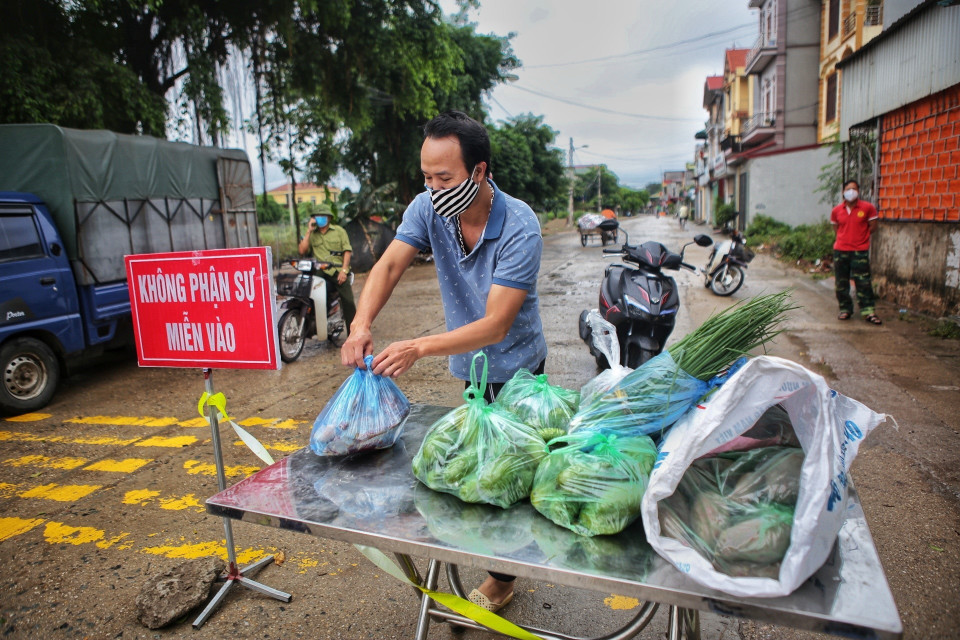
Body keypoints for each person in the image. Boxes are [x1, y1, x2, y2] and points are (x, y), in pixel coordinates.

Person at [341, 110, 547, 613]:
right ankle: (494, 555)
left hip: (519, 372)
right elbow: (389, 263)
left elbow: (496, 324)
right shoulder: (428, 208)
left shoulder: (520, 226)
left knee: (510, 474)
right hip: (470, 370)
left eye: (444, 178)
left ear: (478, 171)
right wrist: (361, 322)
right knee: (477, 466)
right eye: (426, 177)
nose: (433, 188)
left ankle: (503, 577)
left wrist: (418, 346)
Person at [297, 205, 356, 334]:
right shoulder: (313, 234)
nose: (320, 218)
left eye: (323, 216)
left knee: (348, 301)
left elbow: (347, 251)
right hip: (320, 270)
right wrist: (309, 231)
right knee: (306, 292)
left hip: (337, 269)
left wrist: (344, 270)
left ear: (329, 217)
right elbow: (302, 250)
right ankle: (312, 326)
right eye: (317, 216)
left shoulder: (339, 231)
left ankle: (353, 333)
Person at [830, 180, 881, 325]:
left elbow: (873, 227)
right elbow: (836, 228)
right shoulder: (836, 211)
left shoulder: (867, 208)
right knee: (841, 282)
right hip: (841, 251)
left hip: (859, 251)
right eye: (848, 189)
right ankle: (845, 309)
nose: (851, 191)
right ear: (843, 192)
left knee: (863, 282)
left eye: (854, 189)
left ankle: (868, 311)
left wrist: (860, 237)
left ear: (858, 191)